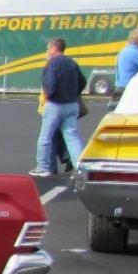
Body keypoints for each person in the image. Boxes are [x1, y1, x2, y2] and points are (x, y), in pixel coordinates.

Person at [31, 37, 87, 176]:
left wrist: (49, 96)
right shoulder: (72, 63)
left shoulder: (52, 63)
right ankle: (79, 167)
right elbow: (83, 81)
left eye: (48, 48)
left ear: (54, 48)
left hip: (55, 105)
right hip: (71, 105)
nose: (47, 51)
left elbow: (49, 84)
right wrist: (74, 93)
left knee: (45, 137)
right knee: (72, 137)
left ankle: (43, 167)